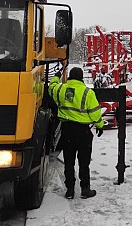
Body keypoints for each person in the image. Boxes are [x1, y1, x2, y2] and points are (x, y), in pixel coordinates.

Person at [48, 66, 104, 199]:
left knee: (69, 161)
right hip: (83, 132)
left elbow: (52, 86)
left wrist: (56, 75)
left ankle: (70, 191)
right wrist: (100, 126)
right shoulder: (87, 93)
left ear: (69, 77)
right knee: (84, 162)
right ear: (81, 78)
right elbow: (95, 113)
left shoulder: (61, 89)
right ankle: (85, 189)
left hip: (67, 131)